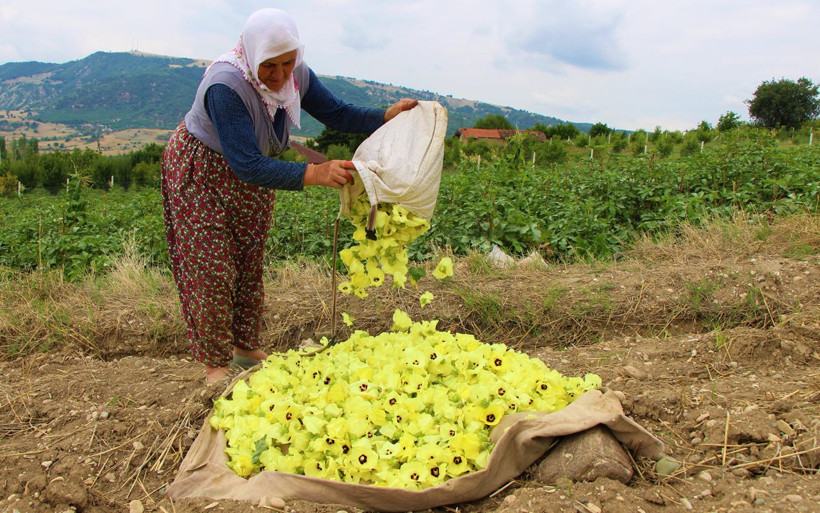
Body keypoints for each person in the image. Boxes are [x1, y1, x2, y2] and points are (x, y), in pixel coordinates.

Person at [161, 7, 417, 383]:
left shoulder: (295, 72)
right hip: (205, 169)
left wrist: (383, 117)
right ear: (251, 55)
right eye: (269, 66)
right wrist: (314, 172)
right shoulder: (226, 86)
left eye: (287, 63)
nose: (280, 75)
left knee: (249, 258)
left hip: (254, 168)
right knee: (212, 264)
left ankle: (244, 348)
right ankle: (215, 362)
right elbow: (245, 163)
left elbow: (336, 112)